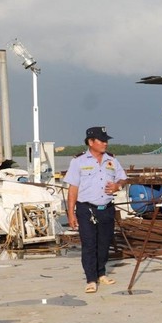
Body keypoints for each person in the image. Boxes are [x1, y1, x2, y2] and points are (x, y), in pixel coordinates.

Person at [65, 126, 128, 294]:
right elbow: (73, 189)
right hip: (86, 209)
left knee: (104, 243)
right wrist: (70, 213)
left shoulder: (112, 160)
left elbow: (123, 178)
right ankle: (91, 279)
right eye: (101, 140)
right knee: (89, 244)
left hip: (106, 209)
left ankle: (101, 273)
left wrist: (118, 185)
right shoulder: (78, 162)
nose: (105, 144)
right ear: (90, 142)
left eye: (106, 140)